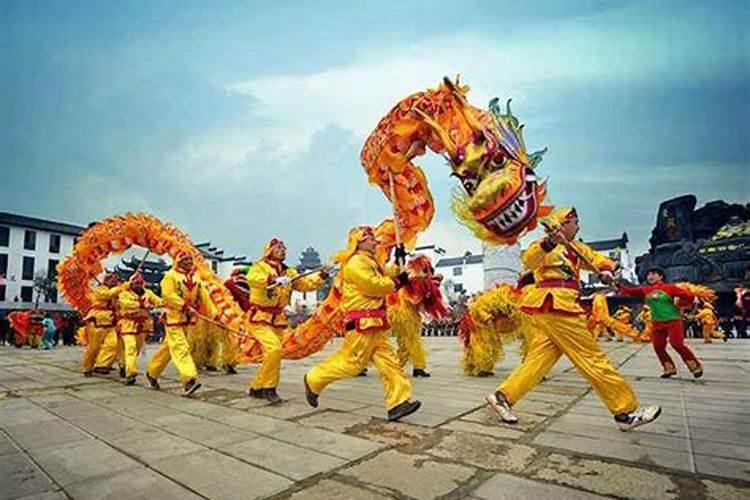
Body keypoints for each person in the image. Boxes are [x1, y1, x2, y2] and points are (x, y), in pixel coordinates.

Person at [485, 207, 661, 431]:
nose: (578, 226)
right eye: (575, 222)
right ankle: (626, 412)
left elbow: (597, 260)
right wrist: (549, 241)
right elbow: (529, 261)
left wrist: (608, 271)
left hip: (561, 308)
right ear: (563, 224)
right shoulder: (544, 244)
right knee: (592, 357)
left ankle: (503, 397)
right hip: (555, 306)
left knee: (539, 359)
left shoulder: (577, 248)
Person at [304, 226, 421, 421]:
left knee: (390, 362)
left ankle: (398, 402)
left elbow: (387, 272)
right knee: (353, 363)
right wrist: (397, 282)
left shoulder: (370, 261)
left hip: (374, 322)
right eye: (371, 239)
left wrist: (399, 260)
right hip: (361, 323)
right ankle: (313, 379)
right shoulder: (356, 263)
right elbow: (374, 286)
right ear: (359, 241)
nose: (376, 242)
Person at [244, 238, 329, 404]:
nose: (283, 250)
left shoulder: (289, 272)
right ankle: (269, 388)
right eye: (279, 248)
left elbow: (305, 284)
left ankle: (256, 387)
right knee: (274, 349)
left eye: (284, 248)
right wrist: (272, 280)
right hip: (260, 317)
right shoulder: (259, 267)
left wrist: (322, 275)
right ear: (269, 251)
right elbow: (253, 279)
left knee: (274, 354)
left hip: (278, 319)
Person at [145, 251, 216, 396]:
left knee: (167, 349)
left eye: (190, 259)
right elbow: (168, 295)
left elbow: (204, 296)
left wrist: (214, 313)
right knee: (181, 347)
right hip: (174, 318)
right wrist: (184, 306)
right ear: (178, 261)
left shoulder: (195, 277)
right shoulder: (170, 276)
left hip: (187, 320)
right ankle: (189, 379)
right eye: (185, 260)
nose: (189, 262)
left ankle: (152, 372)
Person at [619, 266, 703, 378]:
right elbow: (629, 291)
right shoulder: (645, 289)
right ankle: (669, 368)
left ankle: (695, 366)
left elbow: (689, 296)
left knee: (677, 344)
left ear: (661, 276)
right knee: (658, 346)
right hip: (657, 322)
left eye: (653, 274)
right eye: (648, 274)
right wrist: (616, 283)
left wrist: (680, 304)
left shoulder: (670, 288)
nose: (650, 276)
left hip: (673, 320)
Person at [388, 254, 449, 377]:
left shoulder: (416, 282)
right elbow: (414, 299)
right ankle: (413, 367)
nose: (428, 273)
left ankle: (405, 366)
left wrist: (429, 287)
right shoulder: (408, 282)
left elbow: (420, 301)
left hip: (411, 315)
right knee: (410, 341)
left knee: (408, 342)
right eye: (425, 270)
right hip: (401, 314)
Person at [117, 271, 163, 386]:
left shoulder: (148, 293)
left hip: (143, 325)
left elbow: (158, 300)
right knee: (130, 347)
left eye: (140, 283)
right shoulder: (124, 293)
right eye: (136, 283)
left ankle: (124, 365)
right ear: (131, 284)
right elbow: (125, 304)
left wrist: (168, 302)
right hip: (128, 324)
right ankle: (131, 373)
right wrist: (142, 305)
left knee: (136, 349)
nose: (138, 285)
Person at [81, 273, 127, 376]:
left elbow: (120, 304)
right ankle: (88, 368)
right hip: (97, 321)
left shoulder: (116, 293)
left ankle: (101, 364)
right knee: (94, 347)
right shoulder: (99, 290)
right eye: (113, 279)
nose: (115, 281)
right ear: (106, 280)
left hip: (111, 323)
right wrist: (122, 287)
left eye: (116, 279)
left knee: (113, 344)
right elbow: (107, 295)